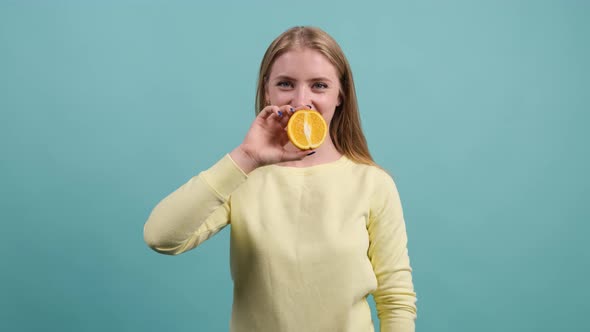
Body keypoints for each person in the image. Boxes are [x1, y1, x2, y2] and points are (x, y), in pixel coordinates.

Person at [143, 26, 417, 332]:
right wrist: (246, 158)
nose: (302, 100)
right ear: (266, 91)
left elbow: (396, 300)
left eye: (319, 86)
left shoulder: (373, 184)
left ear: (341, 94)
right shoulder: (242, 176)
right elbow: (160, 237)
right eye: (286, 83)